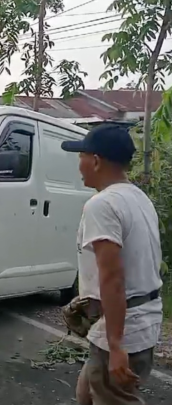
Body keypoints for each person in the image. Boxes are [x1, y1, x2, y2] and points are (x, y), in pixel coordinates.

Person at [60, 123, 163, 405]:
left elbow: (112, 277)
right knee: (87, 394)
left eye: (81, 156)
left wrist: (116, 346)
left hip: (123, 328)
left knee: (111, 396)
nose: (78, 164)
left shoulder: (102, 205)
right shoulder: (137, 198)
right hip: (141, 318)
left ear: (95, 160)